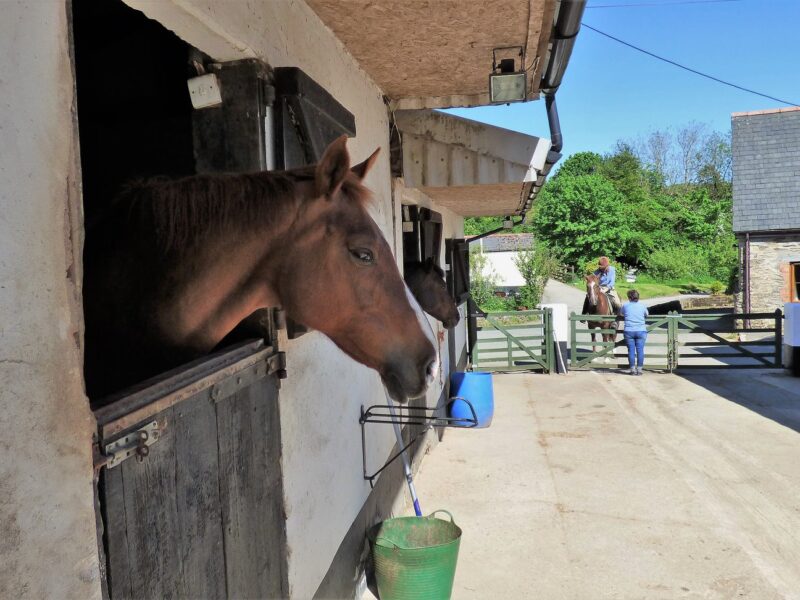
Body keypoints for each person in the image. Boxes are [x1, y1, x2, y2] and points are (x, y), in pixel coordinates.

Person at [620, 289, 648, 375]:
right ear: (638, 297)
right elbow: (646, 314)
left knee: (631, 351)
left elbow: (620, 314)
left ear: (629, 297)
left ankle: (632, 370)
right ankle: (639, 370)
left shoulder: (625, 306)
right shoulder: (642, 306)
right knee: (640, 351)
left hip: (629, 331)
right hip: (641, 330)